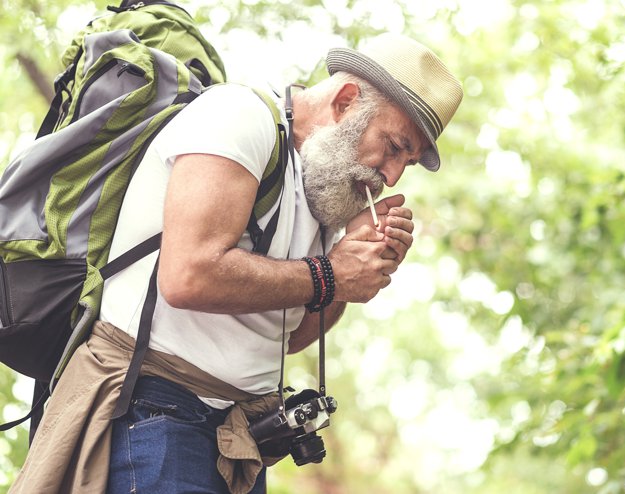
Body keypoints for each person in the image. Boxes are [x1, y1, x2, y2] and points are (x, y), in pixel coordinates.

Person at [10, 32, 463, 494]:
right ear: (346, 102)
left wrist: (346, 275)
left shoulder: (321, 184)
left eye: (405, 161)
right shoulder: (239, 116)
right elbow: (188, 276)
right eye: (392, 146)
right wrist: (330, 273)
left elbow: (291, 338)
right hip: (152, 413)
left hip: (240, 438)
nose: (390, 176)